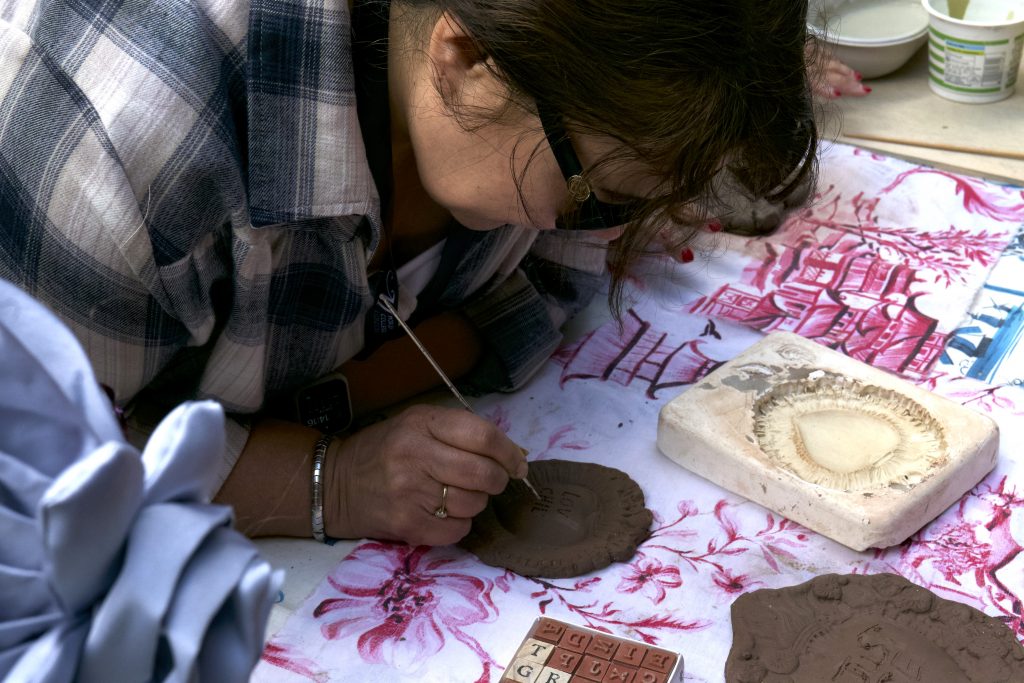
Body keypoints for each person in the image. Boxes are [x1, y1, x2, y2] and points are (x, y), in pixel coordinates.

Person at [0, 0, 838, 548]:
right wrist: (333, 481)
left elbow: (553, 278)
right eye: (598, 198)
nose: (604, 226)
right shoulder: (131, 135)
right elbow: (51, 466)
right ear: (466, 57)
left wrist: (356, 395)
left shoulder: (555, 120)